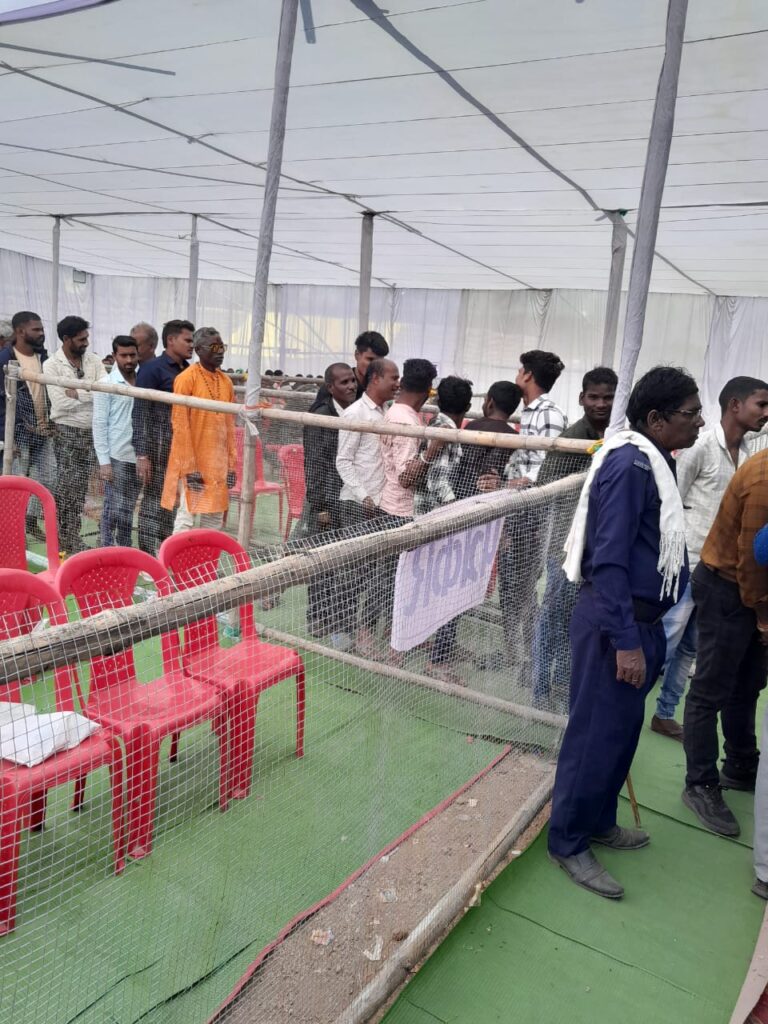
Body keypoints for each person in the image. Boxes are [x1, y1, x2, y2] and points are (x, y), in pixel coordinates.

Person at [548, 366, 703, 899]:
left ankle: (598, 820)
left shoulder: (655, 461)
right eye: (691, 414)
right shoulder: (630, 465)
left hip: (642, 622)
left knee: (619, 733)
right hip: (617, 626)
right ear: (656, 419)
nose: (698, 423)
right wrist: (628, 642)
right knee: (593, 735)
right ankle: (567, 840)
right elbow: (609, 561)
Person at [651, 377, 768, 742]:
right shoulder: (700, 446)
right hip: (687, 561)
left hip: (718, 572)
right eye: (761, 405)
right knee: (667, 641)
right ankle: (628, 707)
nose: (766, 413)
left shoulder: (748, 454)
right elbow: (672, 499)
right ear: (735, 405)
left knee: (690, 647)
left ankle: (664, 713)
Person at [681, 446, 768, 838]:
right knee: (710, 690)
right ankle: (699, 783)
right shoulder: (764, 478)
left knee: (748, 684)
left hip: (749, 592)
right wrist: (764, 617)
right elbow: (753, 560)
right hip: (728, 588)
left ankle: (740, 764)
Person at [533, 367, 618, 711]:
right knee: (552, 617)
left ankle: (564, 684)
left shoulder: (619, 435)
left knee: (579, 621)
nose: (601, 404)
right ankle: (540, 690)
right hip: (565, 547)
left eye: (608, 397)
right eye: (594, 397)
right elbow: (544, 487)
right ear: (582, 398)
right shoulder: (572, 438)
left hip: (599, 547)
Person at [335, 358, 400, 653]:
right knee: (351, 573)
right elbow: (343, 461)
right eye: (393, 377)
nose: (397, 383)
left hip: (379, 506)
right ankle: (342, 632)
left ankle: (364, 632)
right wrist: (364, 496)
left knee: (374, 573)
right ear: (375, 379)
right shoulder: (355, 413)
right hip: (357, 505)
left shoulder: (387, 413)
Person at [414, 375, 474, 682]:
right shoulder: (445, 431)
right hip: (438, 521)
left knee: (438, 586)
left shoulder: (438, 424)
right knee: (451, 590)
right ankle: (437, 661)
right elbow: (438, 480)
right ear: (468, 405)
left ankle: (433, 645)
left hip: (430, 517)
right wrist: (459, 510)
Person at [301, 362, 358, 646]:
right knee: (322, 560)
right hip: (327, 499)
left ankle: (339, 620)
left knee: (345, 562)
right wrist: (320, 505)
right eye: (344, 382)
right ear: (331, 387)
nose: (351, 386)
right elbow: (313, 463)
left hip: (349, 497)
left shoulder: (355, 412)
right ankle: (317, 615)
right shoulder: (321, 416)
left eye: (352, 380)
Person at [161, 327, 236, 533]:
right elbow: (180, 427)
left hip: (218, 465)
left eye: (222, 347)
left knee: (214, 520)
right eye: (214, 347)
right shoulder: (186, 378)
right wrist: (189, 468)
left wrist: (231, 466)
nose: (220, 352)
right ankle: (176, 556)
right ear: (199, 350)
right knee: (186, 518)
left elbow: (230, 427)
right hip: (194, 464)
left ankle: (207, 556)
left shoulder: (226, 382)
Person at [132, 319, 193, 554]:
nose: (192, 345)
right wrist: (142, 454)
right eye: (187, 340)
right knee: (153, 500)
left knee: (172, 501)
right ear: (171, 340)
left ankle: (165, 552)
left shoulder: (189, 371)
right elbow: (140, 412)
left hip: (180, 449)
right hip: (157, 447)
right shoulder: (151, 369)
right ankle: (147, 554)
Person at [46, 315, 105, 553]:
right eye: (81, 339)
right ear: (66, 338)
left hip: (93, 432)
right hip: (67, 432)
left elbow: (105, 392)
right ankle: (65, 539)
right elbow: (60, 403)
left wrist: (78, 393)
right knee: (68, 488)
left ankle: (72, 538)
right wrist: (91, 393)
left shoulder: (93, 360)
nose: (86, 342)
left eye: (87, 337)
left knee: (81, 488)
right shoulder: (51, 365)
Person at [0, 311, 54, 538]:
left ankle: (30, 521)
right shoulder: (5, 360)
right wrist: (6, 436)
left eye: (42, 329)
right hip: (17, 433)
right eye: (36, 329)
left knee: (49, 478)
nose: (41, 333)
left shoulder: (45, 358)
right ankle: (12, 530)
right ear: (20, 331)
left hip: (43, 431)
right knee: (17, 482)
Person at [93, 336, 141, 546]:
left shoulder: (144, 381)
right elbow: (99, 424)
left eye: (132, 355)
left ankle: (124, 548)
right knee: (113, 507)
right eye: (123, 355)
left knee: (128, 507)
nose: (129, 360)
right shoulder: (106, 384)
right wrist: (104, 462)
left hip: (138, 456)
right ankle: (106, 548)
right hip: (116, 456)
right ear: (114, 356)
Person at [451, 381, 521, 502]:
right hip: (491, 501)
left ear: (490, 403)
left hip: (460, 495)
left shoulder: (472, 426)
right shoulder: (514, 437)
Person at [311, 331, 389, 410]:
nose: (375, 365)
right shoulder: (336, 384)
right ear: (357, 355)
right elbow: (315, 414)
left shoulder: (380, 386)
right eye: (370, 359)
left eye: (380, 361)